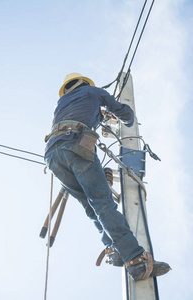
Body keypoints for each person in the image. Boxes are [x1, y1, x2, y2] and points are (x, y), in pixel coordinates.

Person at [44, 73, 170, 281]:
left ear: (67, 89)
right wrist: (129, 118)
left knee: (90, 206)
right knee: (102, 204)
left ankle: (114, 249)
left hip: (53, 155)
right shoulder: (93, 91)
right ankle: (136, 260)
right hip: (77, 146)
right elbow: (121, 111)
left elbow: (82, 113)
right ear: (85, 83)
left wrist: (101, 116)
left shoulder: (62, 104)